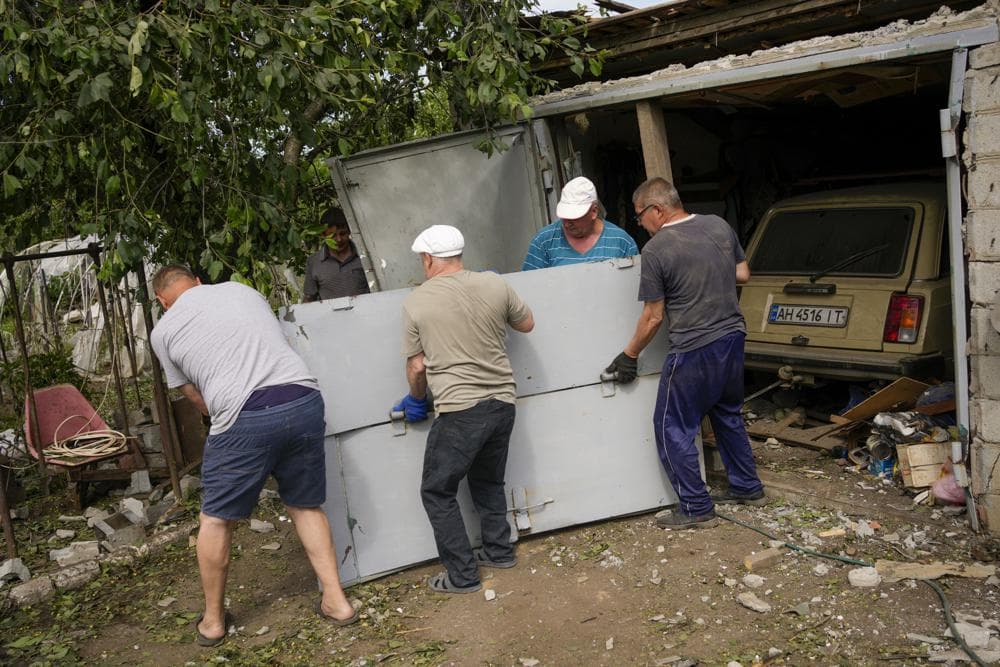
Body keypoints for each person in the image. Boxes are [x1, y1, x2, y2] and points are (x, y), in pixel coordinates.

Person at [150, 265, 358, 647]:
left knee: (215, 518)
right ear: (197, 282)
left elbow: (195, 397)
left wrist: (228, 415)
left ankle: (213, 622)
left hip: (244, 412)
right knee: (305, 504)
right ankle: (337, 601)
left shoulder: (162, 331)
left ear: (162, 301)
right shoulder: (241, 291)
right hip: (303, 397)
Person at [604, 177, 766, 529]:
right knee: (727, 415)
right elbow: (742, 274)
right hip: (733, 338)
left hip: (694, 348)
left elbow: (653, 316)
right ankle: (747, 486)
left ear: (657, 210)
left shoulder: (658, 249)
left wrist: (628, 355)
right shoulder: (717, 225)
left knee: (671, 426)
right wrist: (707, 275)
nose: (640, 223)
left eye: (639, 215)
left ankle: (694, 506)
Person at [392, 225, 534, 593]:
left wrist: (417, 398)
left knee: (437, 491)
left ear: (427, 258)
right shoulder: (494, 285)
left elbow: (417, 366)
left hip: (459, 408)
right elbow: (527, 323)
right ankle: (499, 551)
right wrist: (495, 296)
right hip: (503, 401)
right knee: (488, 480)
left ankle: (463, 576)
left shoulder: (416, 302)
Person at [521, 176, 638, 270]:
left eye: (574, 218)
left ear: (594, 211)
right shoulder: (544, 241)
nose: (566, 224)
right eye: (564, 217)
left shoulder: (621, 242)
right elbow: (530, 287)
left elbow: (634, 287)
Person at [303, 207, 370, 302]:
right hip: (331, 316)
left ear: (349, 231)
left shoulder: (365, 255)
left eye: (343, 234)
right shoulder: (314, 262)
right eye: (333, 235)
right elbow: (309, 298)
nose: (339, 239)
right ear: (323, 235)